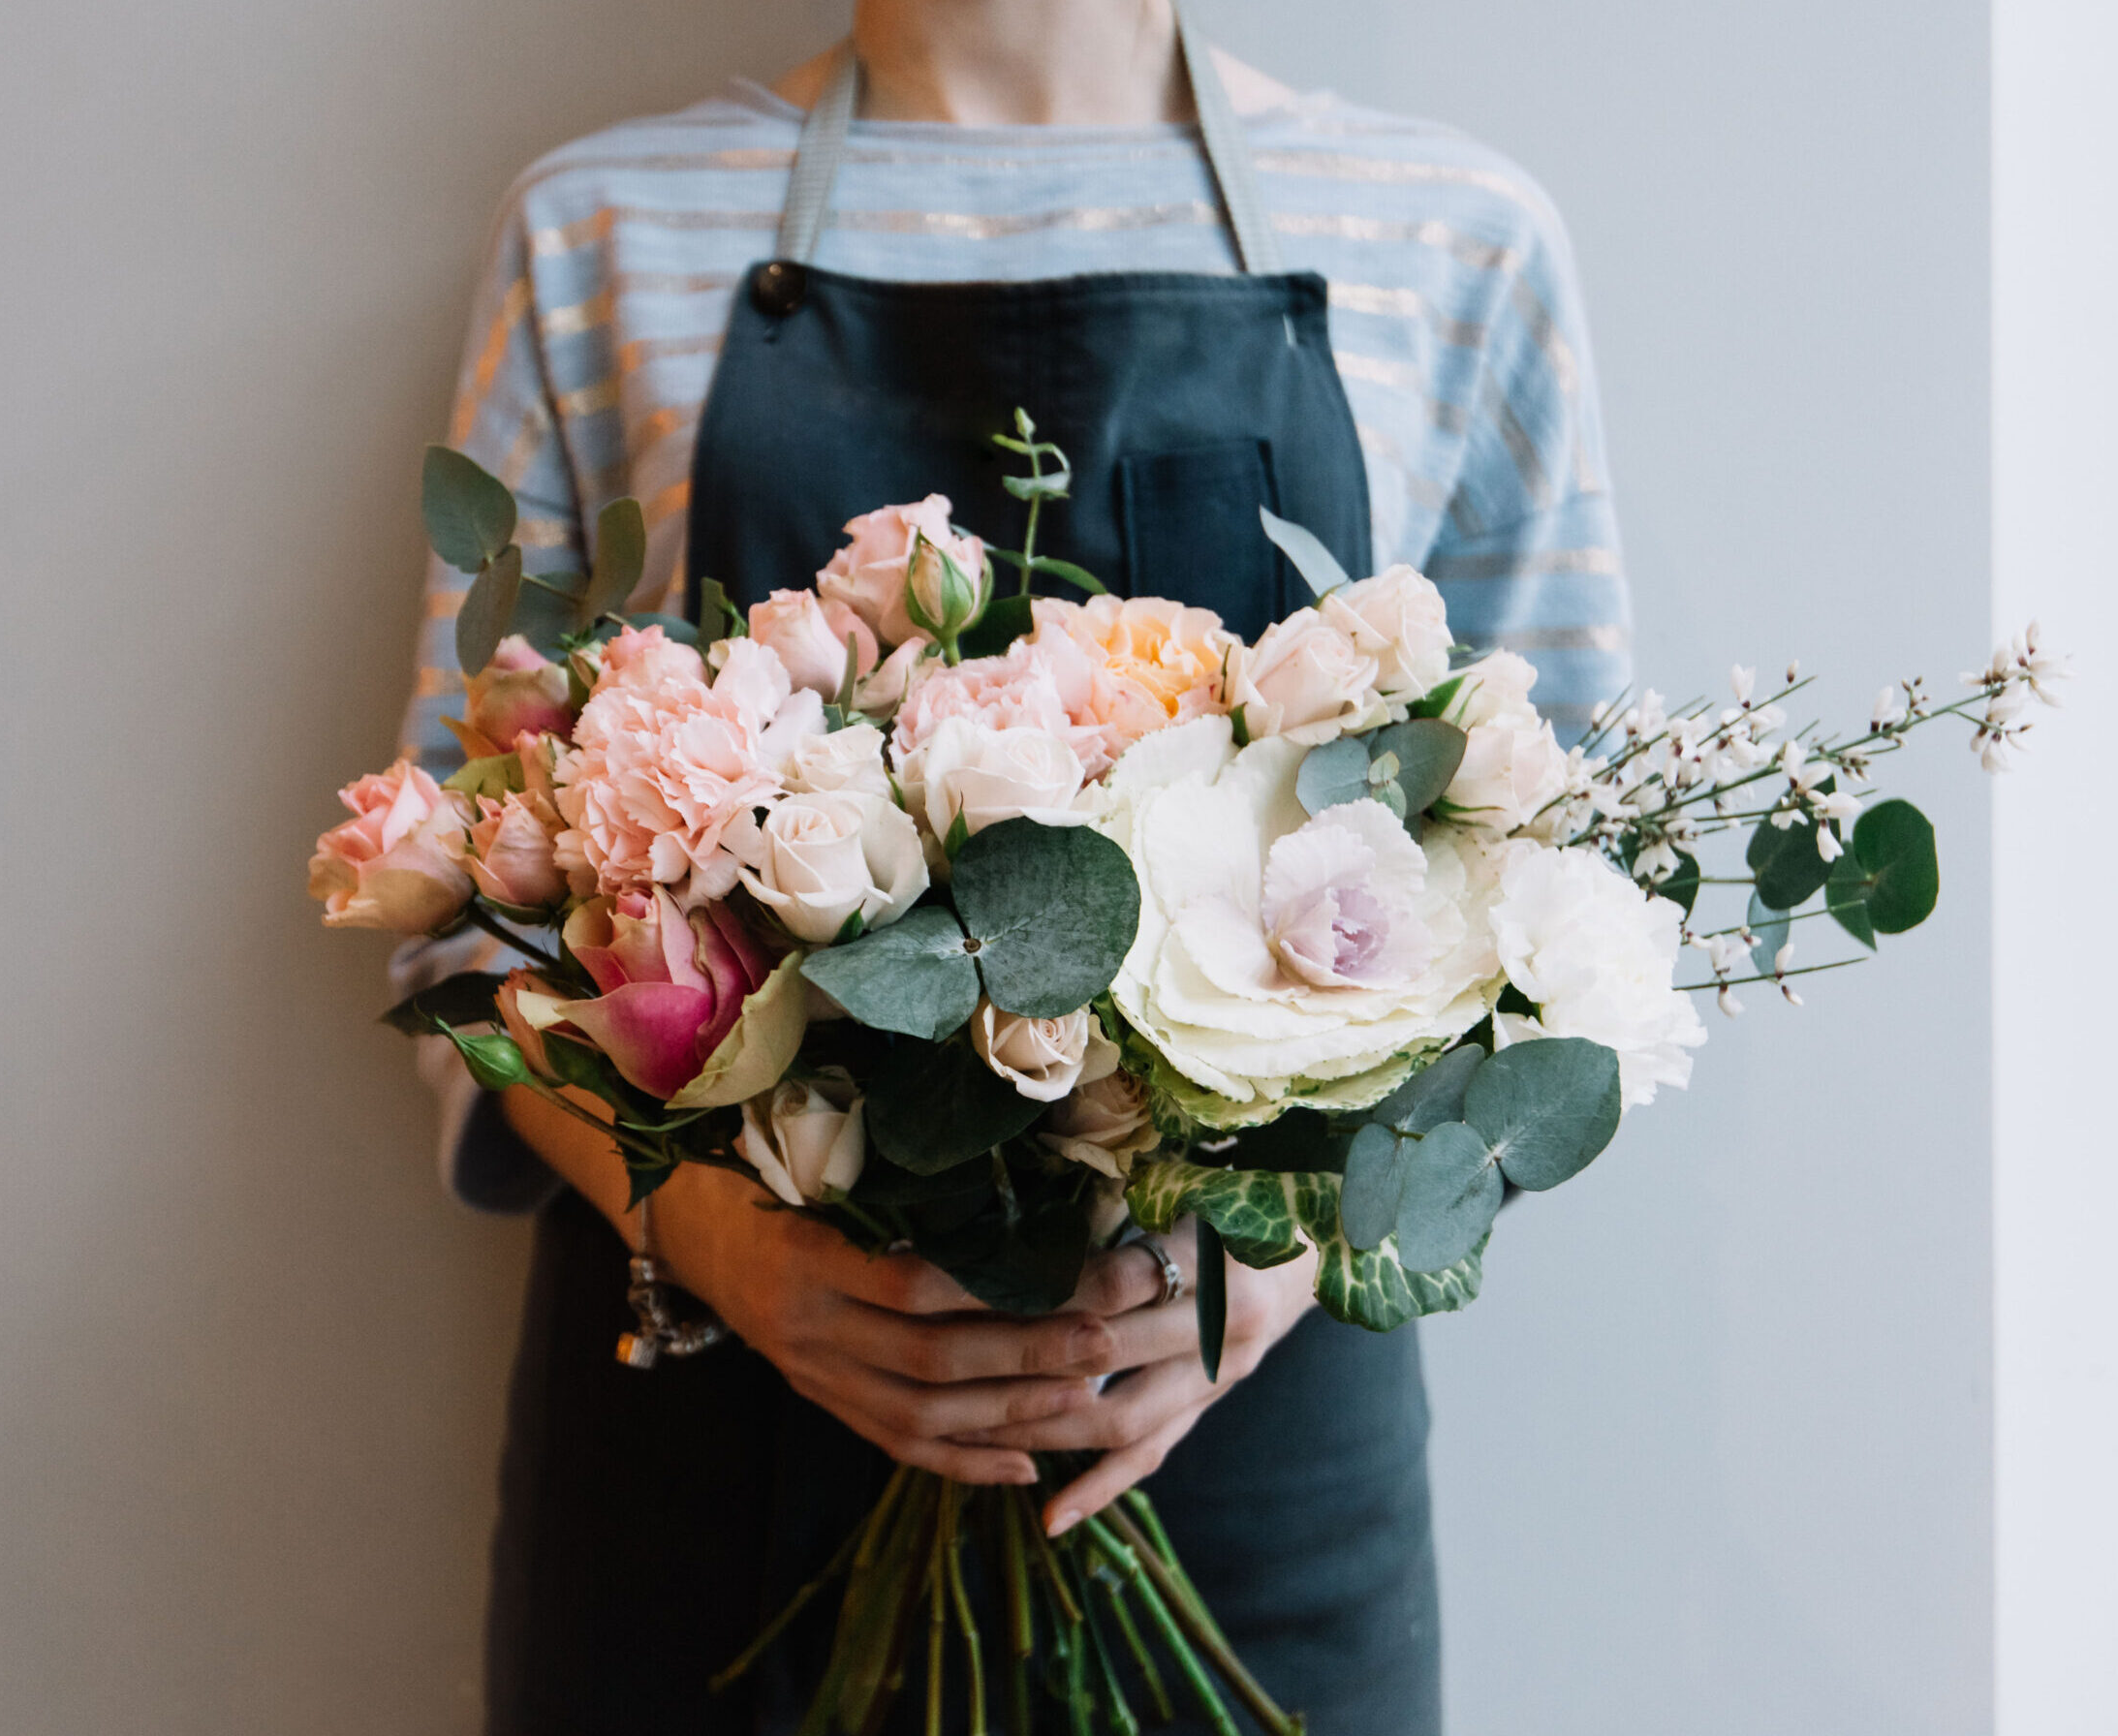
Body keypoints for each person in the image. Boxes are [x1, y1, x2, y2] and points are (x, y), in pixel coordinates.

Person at [395, 3, 1631, 1729]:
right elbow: (461, 928)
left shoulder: (1449, 236)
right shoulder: (607, 232)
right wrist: (730, 1250)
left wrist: (1283, 1256)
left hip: (1256, 1492)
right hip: (725, 1479)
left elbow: (1583, 923)